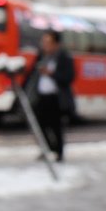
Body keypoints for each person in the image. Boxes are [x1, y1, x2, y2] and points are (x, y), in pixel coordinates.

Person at [28, 30, 75, 162]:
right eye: (44, 42)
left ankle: (59, 152)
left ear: (56, 44)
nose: (45, 45)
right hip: (41, 96)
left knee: (56, 126)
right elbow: (31, 75)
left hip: (56, 98)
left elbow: (68, 78)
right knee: (39, 125)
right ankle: (47, 148)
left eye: (48, 42)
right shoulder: (41, 57)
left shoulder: (64, 58)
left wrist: (51, 73)